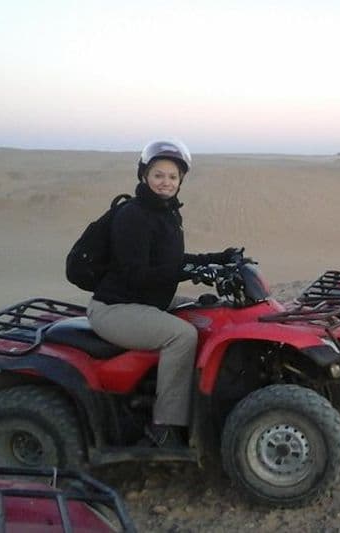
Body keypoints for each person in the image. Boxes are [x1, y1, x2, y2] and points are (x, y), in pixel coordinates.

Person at [87, 139, 239, 448]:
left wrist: (217, 259)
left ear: (181, 180)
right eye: (158, 175)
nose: (165, 182)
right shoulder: (134, 215)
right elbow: (137, 274)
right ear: (144, 175)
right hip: (117, 307)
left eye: (172, 176)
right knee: (182, 336)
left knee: (208, 314)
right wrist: (190, 273)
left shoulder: (166, 214)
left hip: (147, 300)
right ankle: (165, 427)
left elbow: (172, 262)